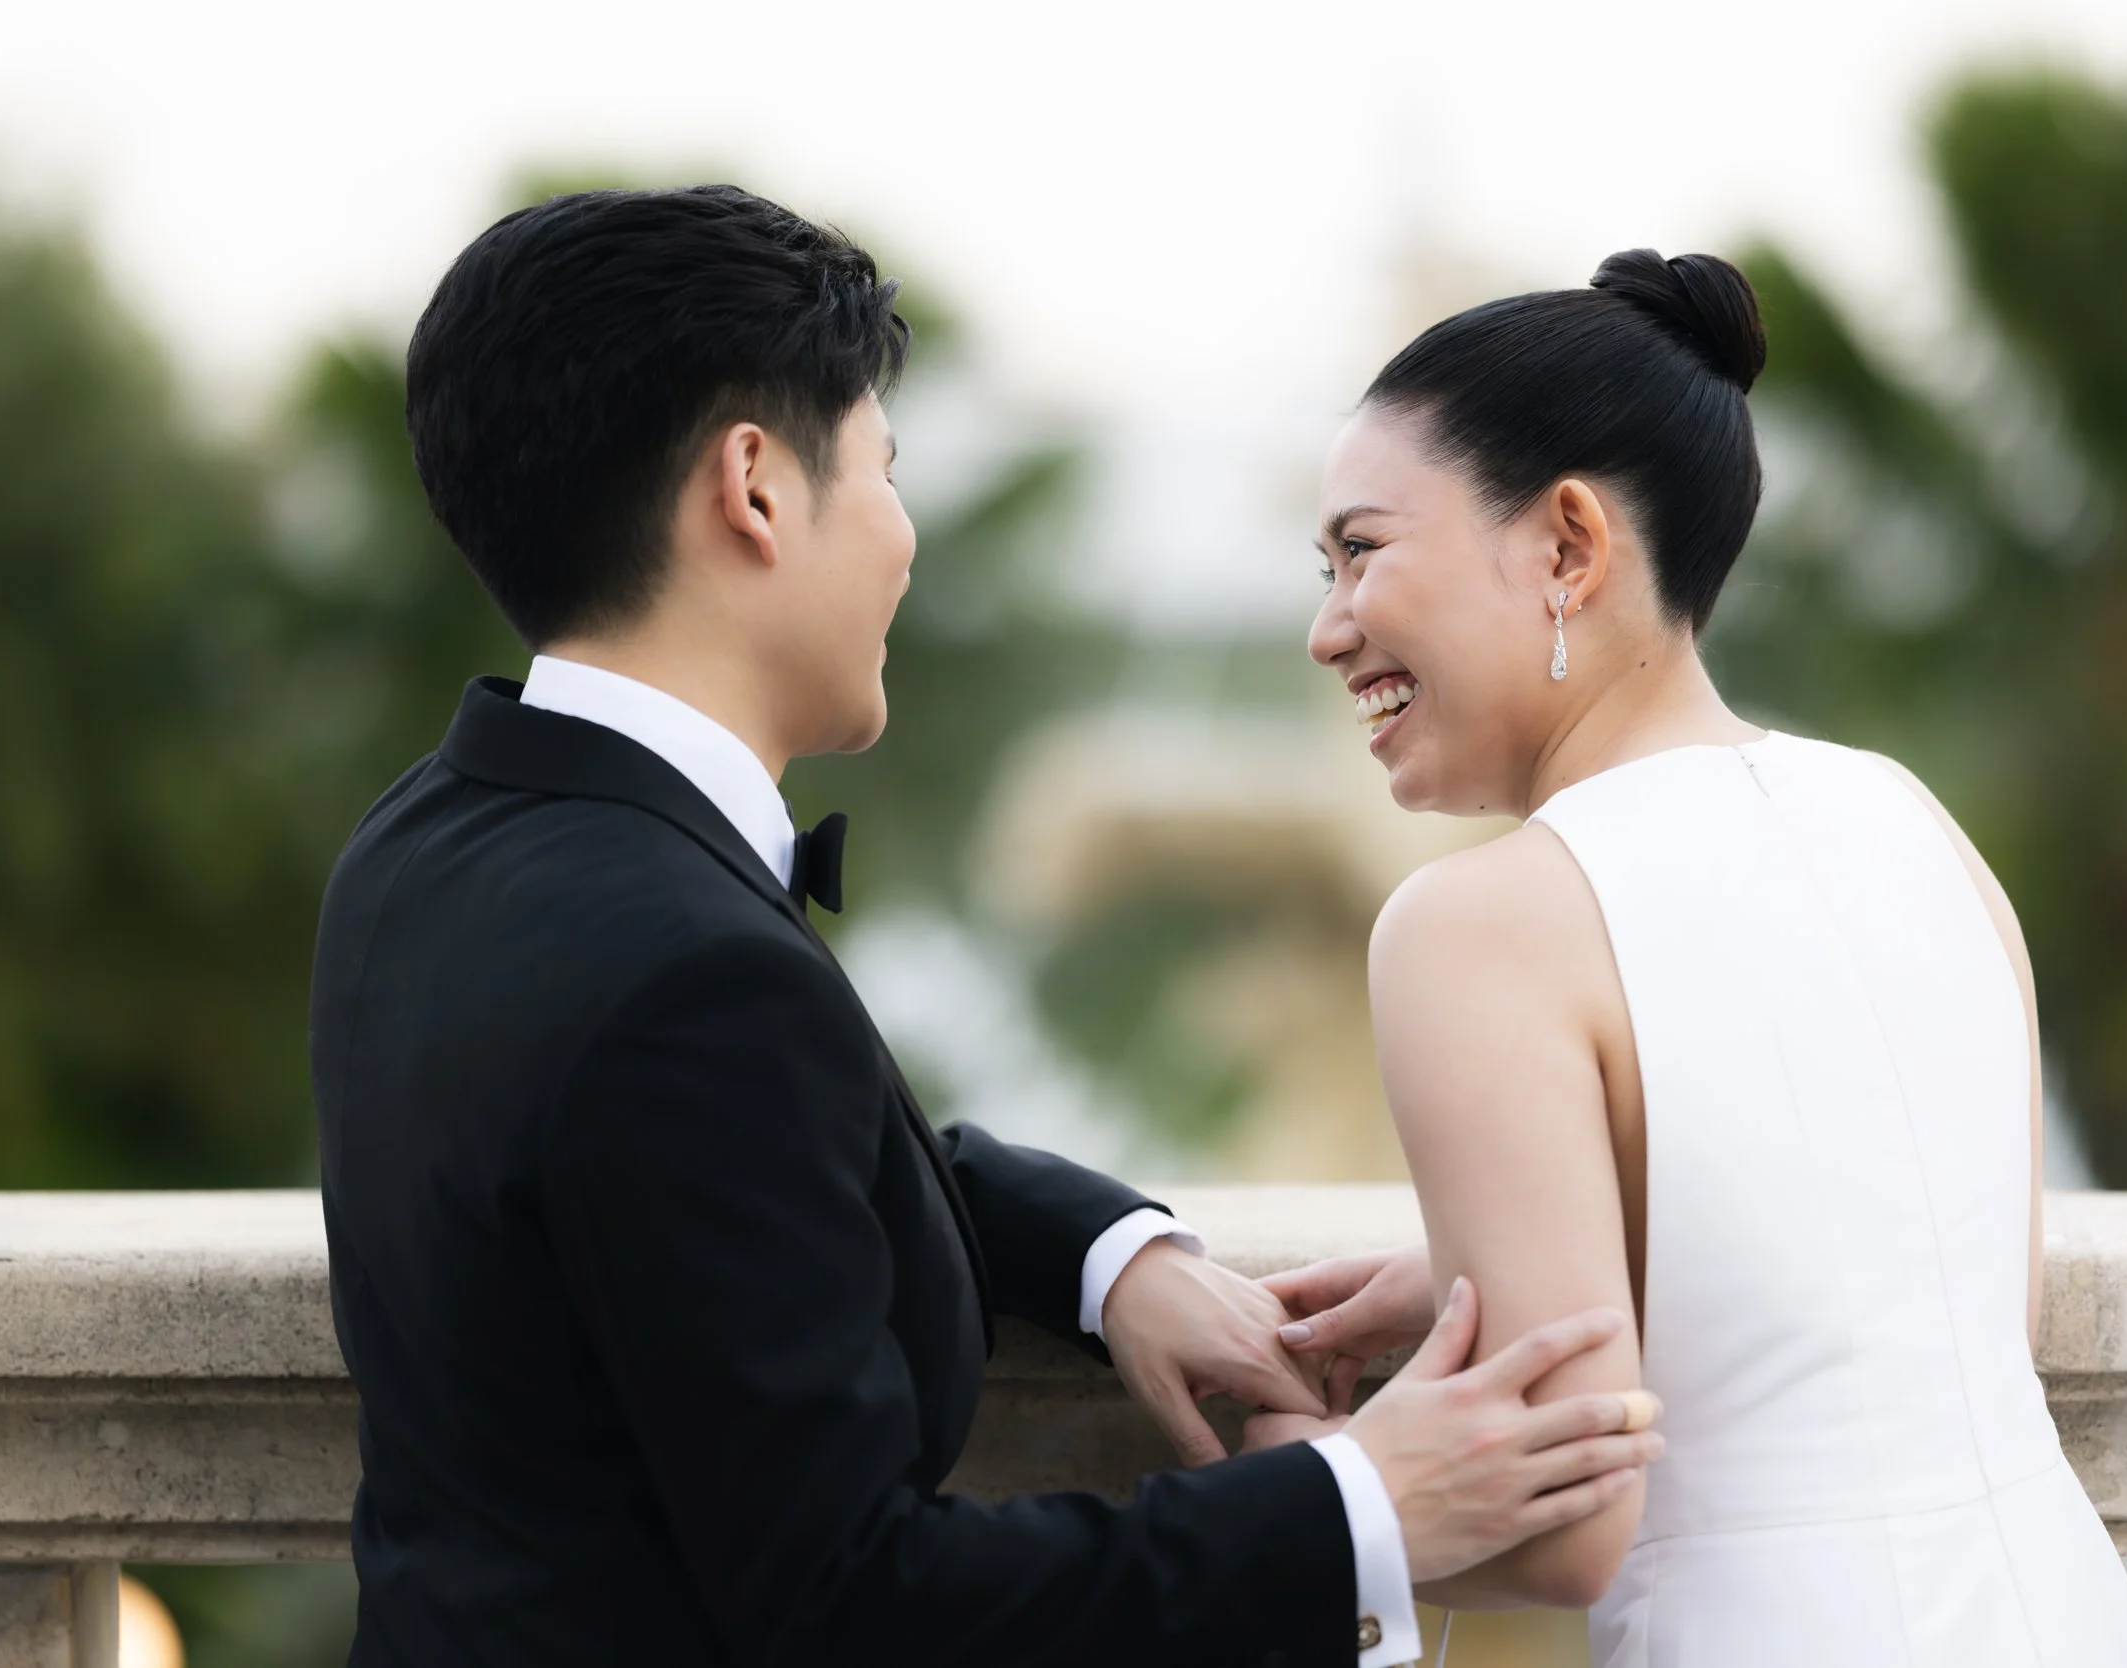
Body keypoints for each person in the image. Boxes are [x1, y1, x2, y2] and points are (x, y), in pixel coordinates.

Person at [307, 185, 1664, 1668]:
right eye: (883, 471)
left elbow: (729, 1183)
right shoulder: (689, 977)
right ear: (754, 489)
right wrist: (1359, 1505)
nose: (902, 541)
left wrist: (1111, 1258)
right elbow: (862, 1607)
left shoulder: (422, 843)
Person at [1250, 252, 2127, 1666]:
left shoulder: (1473, 928)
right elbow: (1948, 1300)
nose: (1328, 629)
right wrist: (1517, 1247)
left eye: (1361, 552)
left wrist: (1279, 1479)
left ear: (1568, 546)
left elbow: (1566, 1526)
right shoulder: (1914, 821)